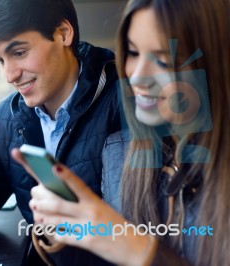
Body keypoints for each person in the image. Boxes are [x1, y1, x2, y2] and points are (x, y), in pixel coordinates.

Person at [12, 0, 230, 265]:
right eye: (132, 53)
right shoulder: (122, 151)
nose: (137, 76)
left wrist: (135, 247)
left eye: (162, 60)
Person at [0, 0, 121, 265]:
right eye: (0, 60)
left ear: (63, 34)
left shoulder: (128, 103)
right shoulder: (8, 116)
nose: (9, 75)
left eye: (18, 53)